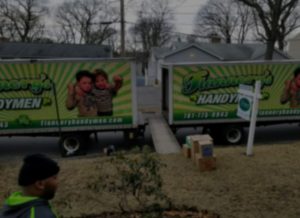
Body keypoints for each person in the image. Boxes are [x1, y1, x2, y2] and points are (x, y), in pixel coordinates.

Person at [0, 153, 60, 218]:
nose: (58, 182)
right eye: (54, 178)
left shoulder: (10, 205)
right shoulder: (40, 214)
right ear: (40, 184)